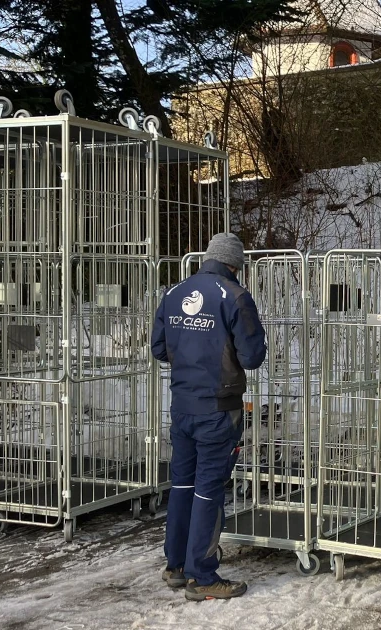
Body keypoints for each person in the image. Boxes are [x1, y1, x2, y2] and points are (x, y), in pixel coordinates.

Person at [151, 233, 266, 601]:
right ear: (235, 264)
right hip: (218, 410)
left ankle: (177, 565)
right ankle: (202, 575)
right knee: (208, 490)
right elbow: (252, 356)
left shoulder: (173, 293)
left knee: (182, 485)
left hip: (182, 407)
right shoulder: (234, 296)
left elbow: (158, 348)